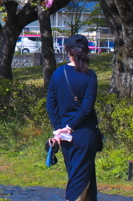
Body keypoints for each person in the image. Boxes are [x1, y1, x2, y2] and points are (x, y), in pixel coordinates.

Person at [46, 34, 101, 201]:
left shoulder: (58, 73)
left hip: (66, 137)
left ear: (68, 51)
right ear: (86, 53)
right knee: (80, 179)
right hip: (84, 134)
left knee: (83, 176)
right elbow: (86, 109)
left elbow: (51, 104)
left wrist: (59, 130)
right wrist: (69, 127)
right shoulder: (90, 76)